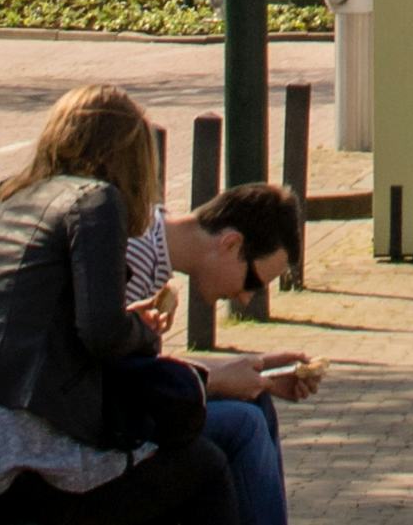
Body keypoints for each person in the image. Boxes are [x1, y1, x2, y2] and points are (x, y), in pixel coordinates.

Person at [0, 84, 227, 522]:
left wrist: (120, 322)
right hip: (21, 452)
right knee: (205, 467)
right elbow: (101, 334)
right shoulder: (96, 199)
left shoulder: (3, 205)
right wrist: (143, 331)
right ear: (129, 157)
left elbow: (29, 321)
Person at [116, 183, 319, 525]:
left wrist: (260, 375)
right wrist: (217, 379)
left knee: (257, 405)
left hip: (122, 408)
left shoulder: (153, 246)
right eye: (253, 281)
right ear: (230, 243)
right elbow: (119, 377)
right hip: (102, 430)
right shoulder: (135, 256)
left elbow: (144, 369)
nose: (244, 298)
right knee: (246, 425)